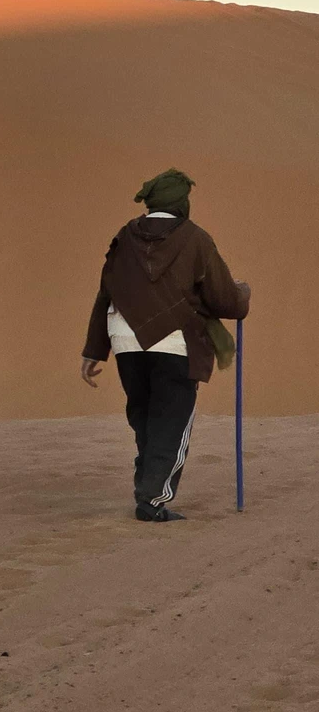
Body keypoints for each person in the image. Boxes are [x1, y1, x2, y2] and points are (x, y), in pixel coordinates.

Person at [81, 169, 249, 523]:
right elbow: (225, 300)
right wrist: (242, 295)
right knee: (171, 422)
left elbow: (105, 293)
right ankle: (153, 498)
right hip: (176, 345)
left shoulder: (123, 237)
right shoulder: (196, 239)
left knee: (144, 417)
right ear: (181, 203)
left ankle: (147, 487)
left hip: (125, 342)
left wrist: (94, 351)